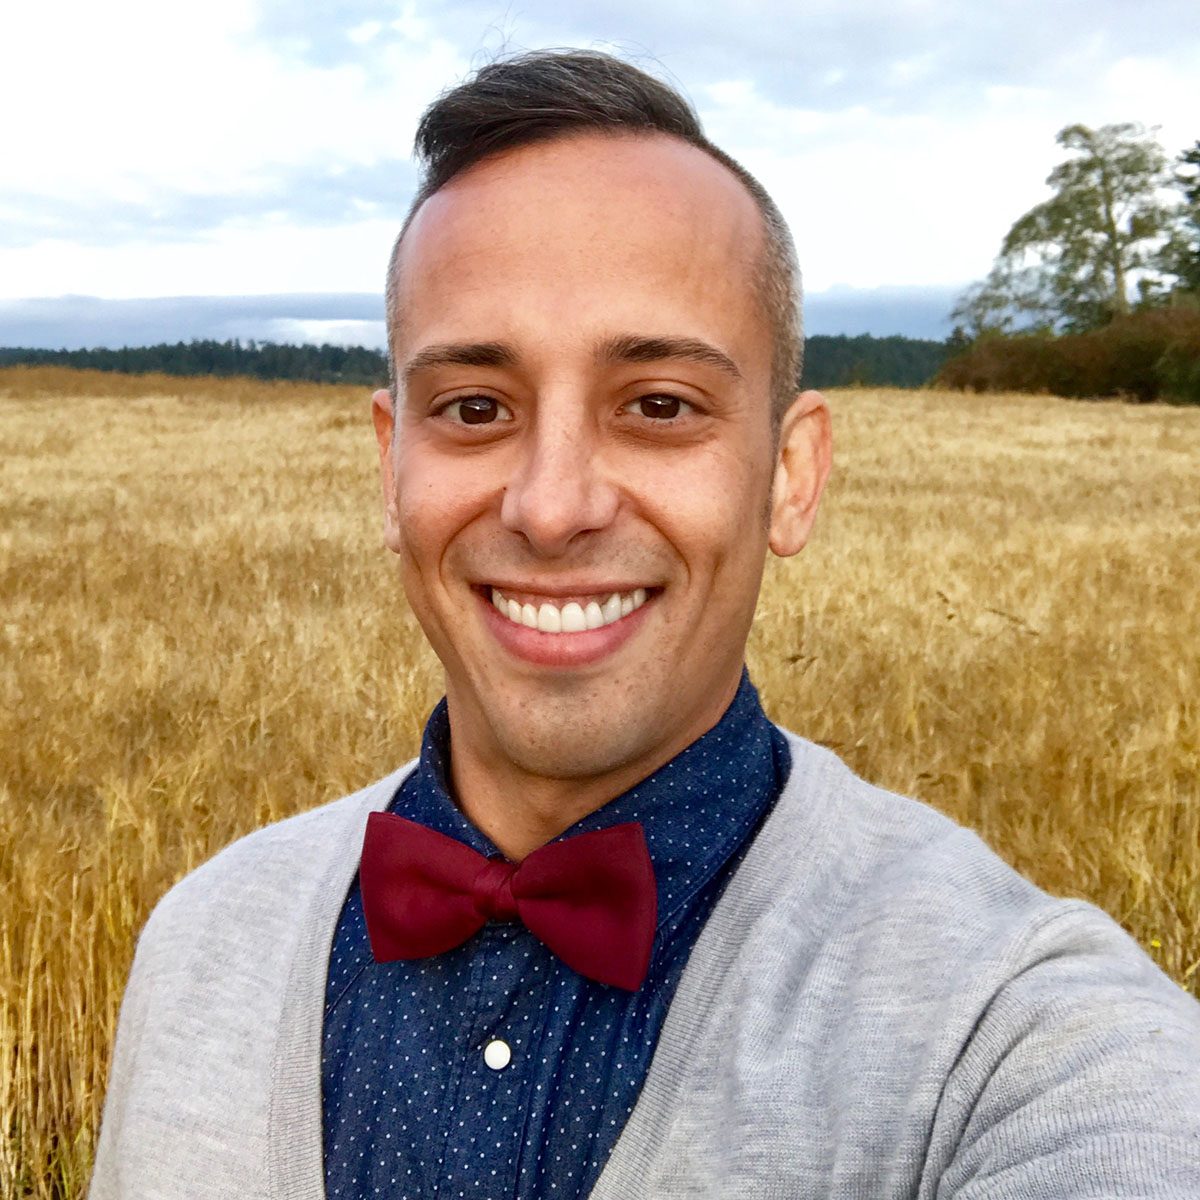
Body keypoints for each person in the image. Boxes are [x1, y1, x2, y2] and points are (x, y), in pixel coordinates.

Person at [90, 50, 1200, 1200]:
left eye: (659, 405)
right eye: (475, 407)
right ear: (391, 466)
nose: (551, 506)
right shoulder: (197, 946)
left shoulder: (1016, 1037)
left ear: (791, 475)